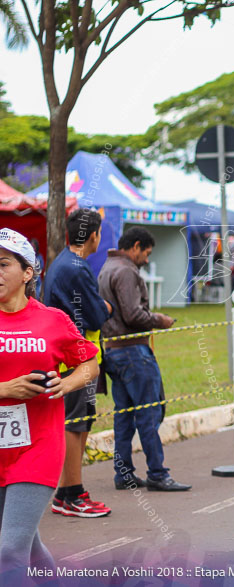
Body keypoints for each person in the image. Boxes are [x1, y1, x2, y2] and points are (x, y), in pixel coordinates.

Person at [0, 228, 99, 581]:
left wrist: (66, 384)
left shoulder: (51, 320)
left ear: (28, 273)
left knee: (9, 551)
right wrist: (6, 388)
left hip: (37, 447)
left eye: (3, 264)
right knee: (28, 546)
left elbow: (90, 362)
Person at [98, 227, 191, 492]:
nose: (147, 259)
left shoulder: (107, 268)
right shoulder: (126, 271)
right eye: (146, 253)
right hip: (133, 352)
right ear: (136, 246)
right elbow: (133, 316)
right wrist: (159, 320)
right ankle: (158, 473)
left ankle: (124, 473)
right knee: (149, 413)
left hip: (114, 351)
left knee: (124, 416)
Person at [43, 209, 113, 517]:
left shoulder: (62, 262)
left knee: (79, 421)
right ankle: (71, 493)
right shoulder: (77, 267)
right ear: (94, 235)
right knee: (75, 422)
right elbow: (97, 314)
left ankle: (68, 491)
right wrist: (107, 307)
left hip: (71, 354)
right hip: (74, 357)